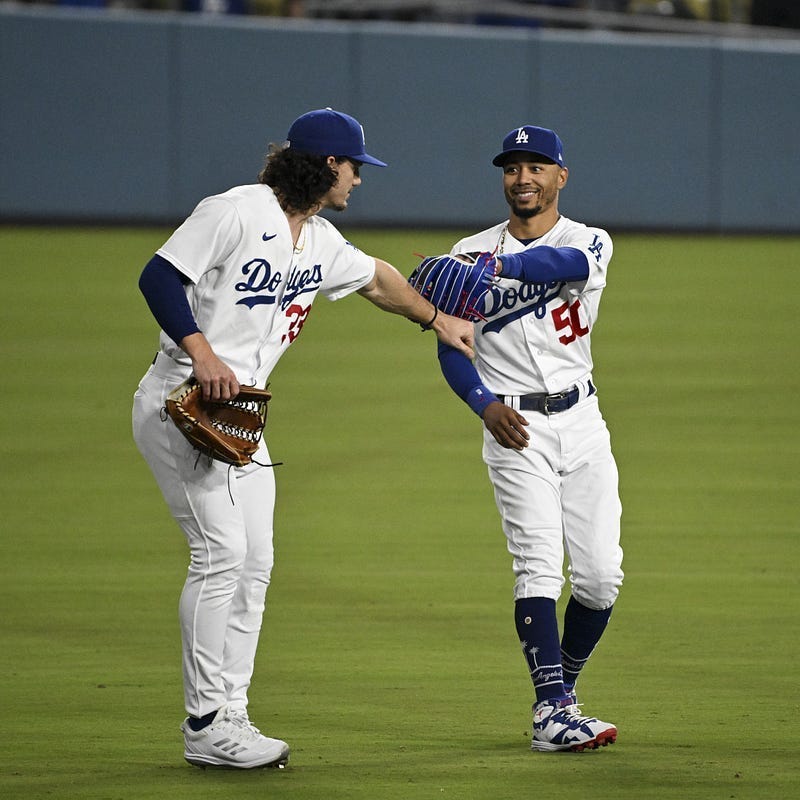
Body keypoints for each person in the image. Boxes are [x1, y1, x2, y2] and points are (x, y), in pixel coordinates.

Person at [131, 108, 474, 769]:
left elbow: (376, 279)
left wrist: (437, 319)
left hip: (238, 421)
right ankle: (204, 725)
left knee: (254, 564)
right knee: (221, 554)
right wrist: (200, 350)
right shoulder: (236, 210)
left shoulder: (316, 241)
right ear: (325, 165)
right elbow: (158, 276)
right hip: (180, 404)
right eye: (354, 168)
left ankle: (230, 712)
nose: (359, 181)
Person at [433, 125, 623, 752]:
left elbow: (561, 264)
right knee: (538, 565)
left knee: (599, 579)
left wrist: (498, 268)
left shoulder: (589, 240)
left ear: (560, 177)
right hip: (516, 428)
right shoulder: (468, 252)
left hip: (584, 424)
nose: (523, 178)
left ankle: (561, 694)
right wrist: (481, 403)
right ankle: (551, 710)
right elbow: (453, 344)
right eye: (512, 167)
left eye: (536, 166)